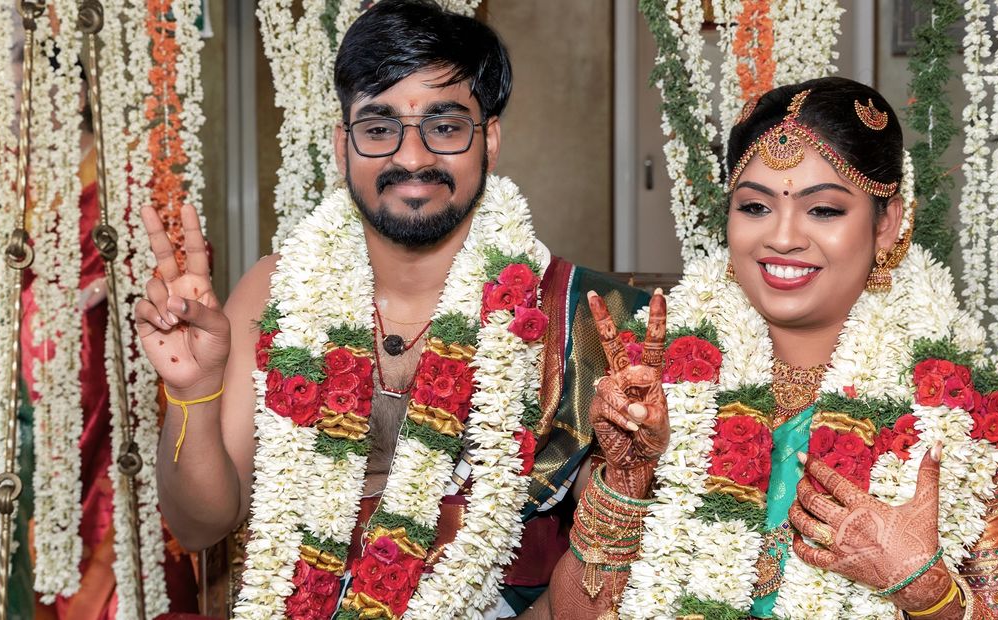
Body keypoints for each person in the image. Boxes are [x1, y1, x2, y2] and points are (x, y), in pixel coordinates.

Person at [135, 1, 647, 617]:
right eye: (379, 128)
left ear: (490, 140)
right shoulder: (279, 291)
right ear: (341, 145)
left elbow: (621, 571)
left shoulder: (581, 318)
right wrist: (193, 389)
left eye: (446, 126)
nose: (411, 158)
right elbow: (200, 527)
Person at [551, 77, 998, 620]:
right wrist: (626, 482)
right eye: (754, 207)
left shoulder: (968, 415)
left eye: (824, 210)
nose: (784, 237)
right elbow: (574, 613)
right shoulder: (664, 389)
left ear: (886, 224)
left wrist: (926, 592)